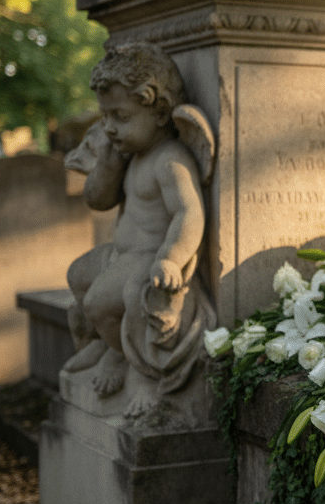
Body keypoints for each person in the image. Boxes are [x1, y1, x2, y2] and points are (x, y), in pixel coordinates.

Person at [69, 42, 216, 422]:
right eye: (105, 116)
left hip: (149, 259)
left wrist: (170, 258)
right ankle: (106, 345)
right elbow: (97, 199)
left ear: (160, 112)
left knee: (99, 302)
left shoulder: (170, 160)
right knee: (78, 274)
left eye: (120, 116)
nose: (109, 127)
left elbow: (189, 213)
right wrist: (108, 162)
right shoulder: (130, 155)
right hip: (121, 254)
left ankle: (139, 368)